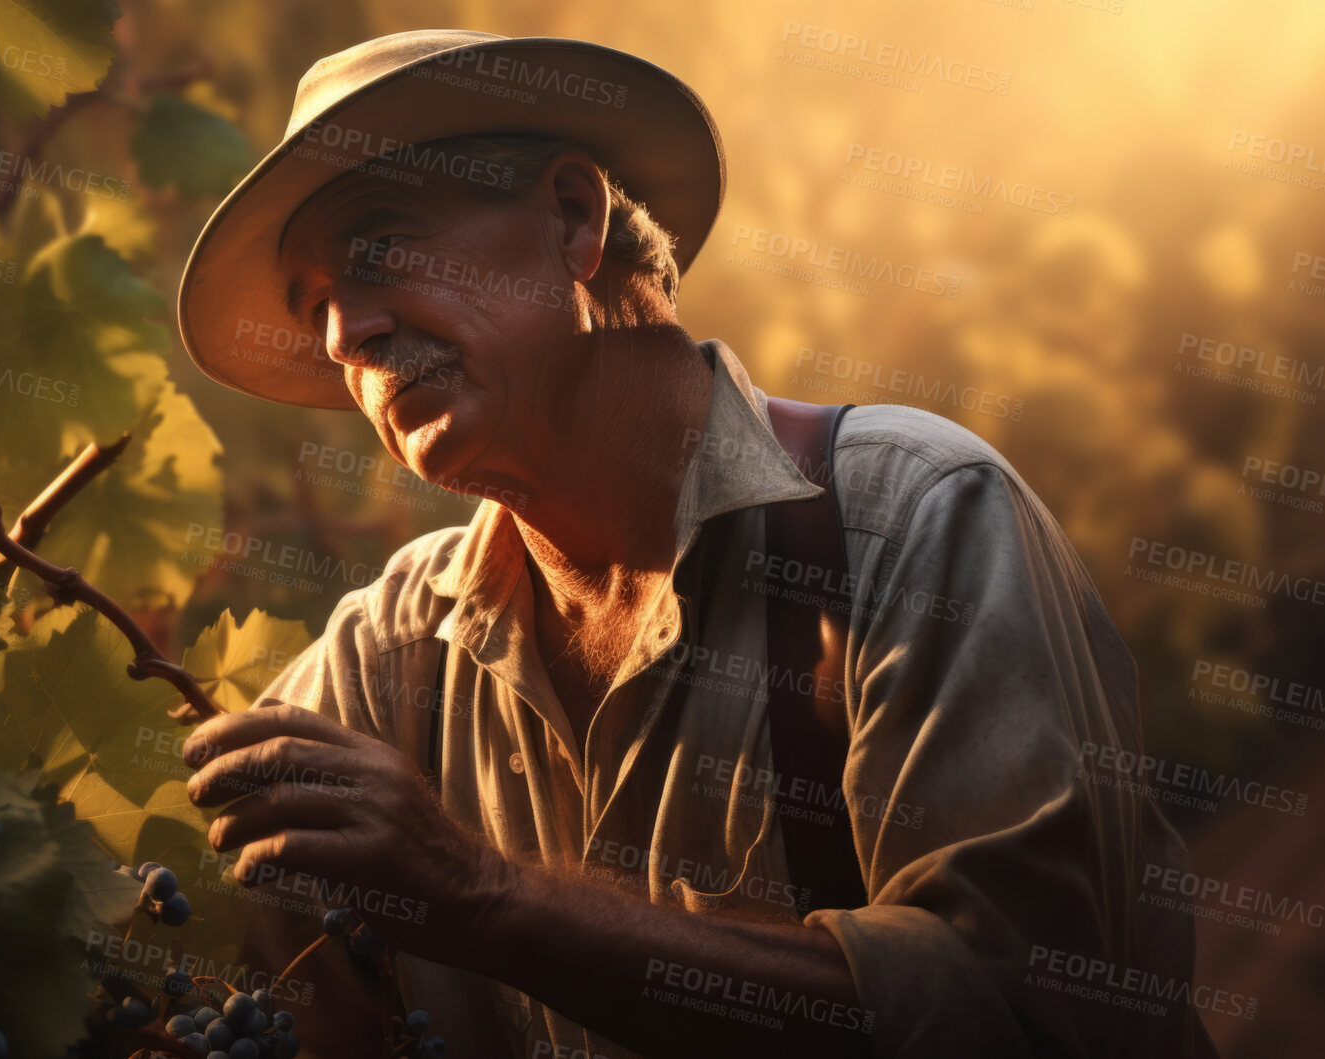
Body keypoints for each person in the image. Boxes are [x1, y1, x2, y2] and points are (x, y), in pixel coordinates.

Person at [172, 29, 1216, 1059]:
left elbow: (1016, 1019)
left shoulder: (912, 520)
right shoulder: (383, 660)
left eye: (376, 246)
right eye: (314, 309)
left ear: (571, 219)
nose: (343, 334)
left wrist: (483, 899)